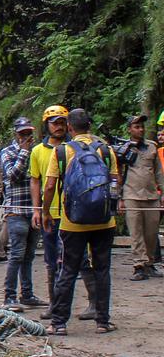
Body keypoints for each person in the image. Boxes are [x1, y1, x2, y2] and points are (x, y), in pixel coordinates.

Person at [43, 109, 120, 335]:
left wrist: (46, 212)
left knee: (67, 269)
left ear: (70, 128)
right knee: (102, 269)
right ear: (90, 126)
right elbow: (115, 183)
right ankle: (102, 322)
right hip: (104, 222)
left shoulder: (61, 152)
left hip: (72, 222)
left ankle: (58, 323)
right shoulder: (106, 150)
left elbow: (49, 186)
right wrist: (112, 209)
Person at [30, 105, 98, 321]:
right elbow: (36, 181)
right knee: (51, 260)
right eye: (54, 123)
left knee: (83, 260)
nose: (58, 127)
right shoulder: (37, 152)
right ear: (47, 125)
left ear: (68, 125)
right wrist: (38, 209)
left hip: (76, 212)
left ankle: (94, 303)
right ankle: (54, 304)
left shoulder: (75, 149)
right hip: (51, 213)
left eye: (62, 123)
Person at [0, 118, 45, 311]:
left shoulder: (38, 151)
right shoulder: (7, 152)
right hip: (16, 210)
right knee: (16, 254)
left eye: (28, 133)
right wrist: (25, 152)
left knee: (29, 255)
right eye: (22, 133)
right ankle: (9, 296)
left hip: (34, 210)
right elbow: (13, 176)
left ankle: (27, 294)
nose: (26, 136)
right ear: (16, 134)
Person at [119, 114, 164, 280]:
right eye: (137, 127)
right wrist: (119, 198)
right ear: (130, 129)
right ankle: (138, 265)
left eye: (142, 126)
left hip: (151, 195)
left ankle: (150, 263)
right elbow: (118, 174)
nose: (141, 129)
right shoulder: (123, 149)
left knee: (151, 233)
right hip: (131, 195)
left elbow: (158, 172)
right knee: (136, 233)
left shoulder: (152, 147)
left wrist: (163, 192)